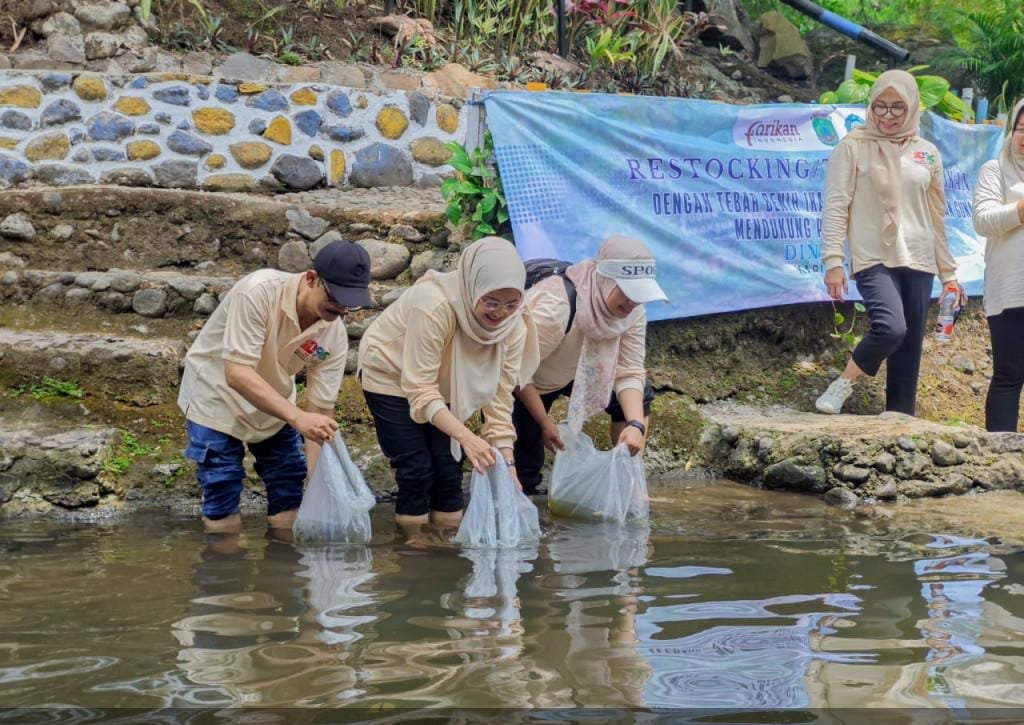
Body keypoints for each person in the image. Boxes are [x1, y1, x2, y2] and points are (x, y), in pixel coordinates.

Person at [178, 240, 373, 534]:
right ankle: (225, 566)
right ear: (311, 278)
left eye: (349, 302)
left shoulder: (333, 335)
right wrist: (297, 418)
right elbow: (238, 373)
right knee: (222, 486)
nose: (340, 308)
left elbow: (319, 409)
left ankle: (285, 569)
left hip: (274, 405)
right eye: (335, 297)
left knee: (289, 487)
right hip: (216, 397)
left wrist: (317, 477)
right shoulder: (258, 292)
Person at [357, 237, 532, 538]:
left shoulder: (513, 326)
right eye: (491, 302)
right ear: (473, 287)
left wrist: (509, 464)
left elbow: (500, 399)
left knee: (450, 471)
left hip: (451, 382)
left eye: (510, 304)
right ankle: (415, 550)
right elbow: (420, 388)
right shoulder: (434, 304)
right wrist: (466, 437)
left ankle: (447, 546)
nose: (500, 312)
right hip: (392, 376)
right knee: (416, 471)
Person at [816, 69, 965, 416]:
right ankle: (844, 383)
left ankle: (900, 419)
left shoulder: (926, 153)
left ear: (912, 107)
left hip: (919, 256)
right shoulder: (852, 147)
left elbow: (936, 217)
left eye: (897, 107)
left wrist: (949, 275)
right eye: (880, 106)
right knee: (891, 326)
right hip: (873, 255)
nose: (887, 115)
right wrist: (833, 260)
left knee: (909, 345)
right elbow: (837, 205)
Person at [513, 235, 668, 495]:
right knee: (524, 475)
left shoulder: (633, 311)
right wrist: (544, 422)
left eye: (640, 294)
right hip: (526, 380)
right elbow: (513, 369)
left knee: (637, 398)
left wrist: (635, 426)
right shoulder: (557, 306)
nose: (633, 302)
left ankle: (626, 481)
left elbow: (629, 371)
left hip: (582, 368)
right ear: (605, 279)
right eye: (628, 292)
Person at [973, 98, 1024, 432]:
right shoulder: (995, 170)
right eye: (1022, 128)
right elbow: (983, 221)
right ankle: (999, 457)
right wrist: (1019, 211)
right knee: (1009, 374)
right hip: (1011, 290)